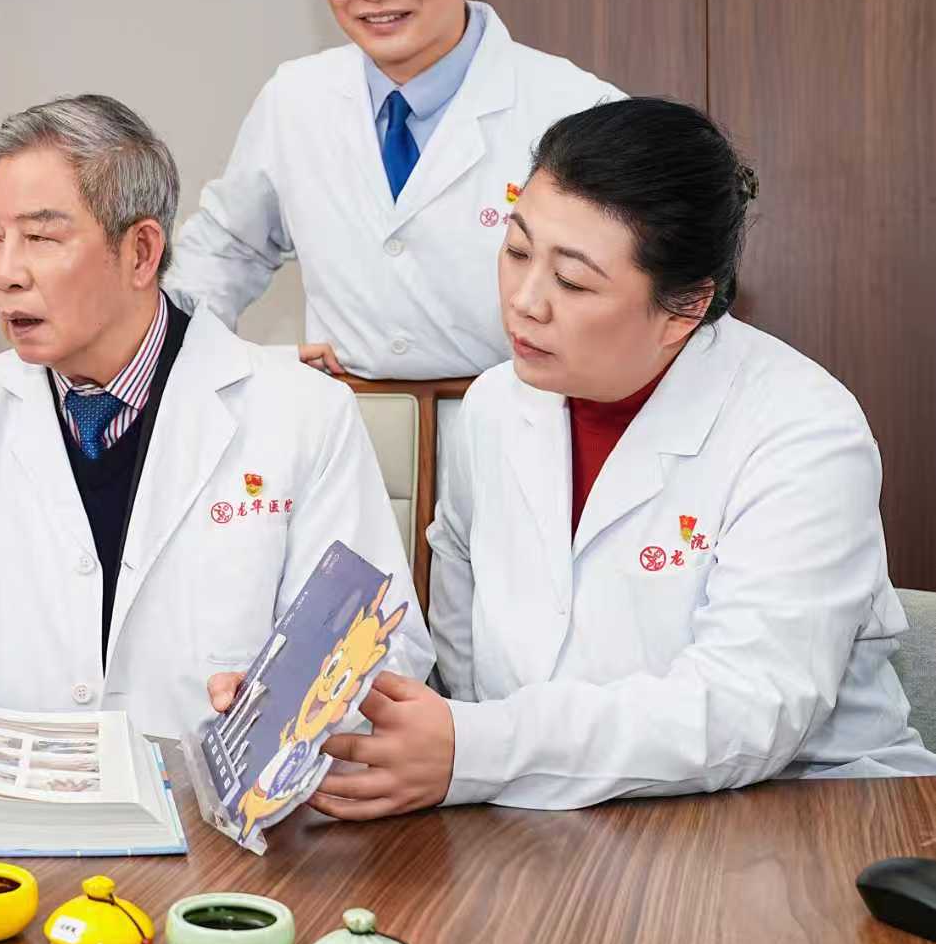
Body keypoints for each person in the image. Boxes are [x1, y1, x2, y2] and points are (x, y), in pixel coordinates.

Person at [251, 97, 935, 818]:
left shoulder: (801, 431)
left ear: (684, 307)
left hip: (803, 810)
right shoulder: (493, 406)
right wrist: (295, 711)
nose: (524, 301)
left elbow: (748, 707)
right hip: (542, 813)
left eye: (572, 282)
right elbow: (462, 647)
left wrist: (483, 749)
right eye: (517, 252)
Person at [0, 94, 430, 740]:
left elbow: (381, 642)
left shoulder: (301, 414)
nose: (5, 273)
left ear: (141, 252)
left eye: (41, 238)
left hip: (215, 809)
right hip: (22, 797)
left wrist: (287, 700)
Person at [168, 0, 619, 380]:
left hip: (522, 424)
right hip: (344, 424)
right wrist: (204, 362)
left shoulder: (579, 110)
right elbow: (224, 251)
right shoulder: (296, 99)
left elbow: (633, 297)